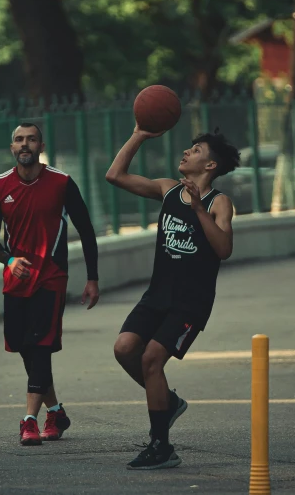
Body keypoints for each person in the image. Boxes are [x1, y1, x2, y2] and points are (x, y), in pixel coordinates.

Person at [106, 124, 239, 470]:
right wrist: (137, 134)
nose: (186, 152)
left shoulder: (218, 202)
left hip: (190, 303)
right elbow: (114, 175)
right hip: (157, 295)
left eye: (195, 150)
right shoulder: (167, 190)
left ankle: (161, 446)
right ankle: (170, 401)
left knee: (151, 360)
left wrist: (198, 210)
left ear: (210, 166)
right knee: (124, 349)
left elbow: (224, 249)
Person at [0, 122, 100, 446]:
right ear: (12, 148)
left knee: (41, 345)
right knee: (24, 347)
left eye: (31, 139)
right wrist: (8, 260)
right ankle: (56, 412)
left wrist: (92, 278)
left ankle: (29, 420)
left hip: (51, 277)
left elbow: (87, 231)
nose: (25, 145)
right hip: (16, 279)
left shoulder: (62, 182)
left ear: (40, 145)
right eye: (19, 140)